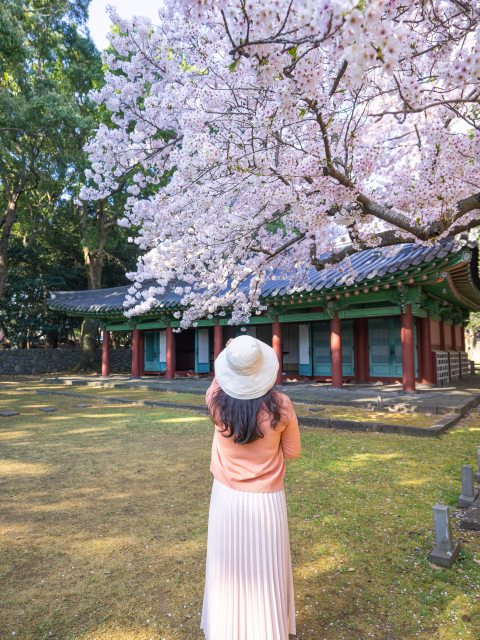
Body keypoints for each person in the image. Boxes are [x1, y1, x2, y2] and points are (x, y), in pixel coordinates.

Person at [201, 335, 301, 640]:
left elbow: (219, 380)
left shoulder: (215, 401)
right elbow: (293, 451)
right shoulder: (280, 405)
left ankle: (226, 628)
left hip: (226, 497)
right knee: (266, 569)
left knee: (227, 564)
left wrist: (231, 352)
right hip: (267, 499)